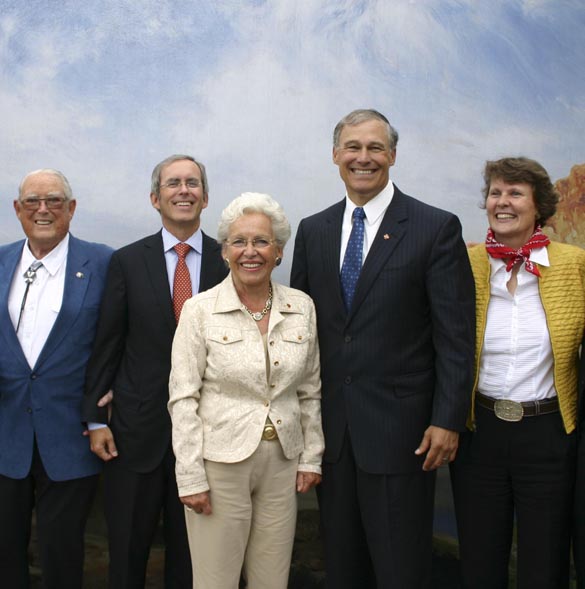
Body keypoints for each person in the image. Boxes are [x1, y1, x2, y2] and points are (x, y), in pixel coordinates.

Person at [290, 108, 475, 588]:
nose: (363, 157)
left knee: (400, 569)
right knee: (343, 567)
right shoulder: (314, 230)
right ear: (335, 155)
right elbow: (301, 334)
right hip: (332, 434)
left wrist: (448, 417)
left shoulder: (435, 228)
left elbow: (455, 335)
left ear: (392, 155)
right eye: (353, 147)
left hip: (404, 434)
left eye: (375, 148)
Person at [81, 155, 227, 588]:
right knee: (127, 554)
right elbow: (108, 341)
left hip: (210, 436)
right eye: (173, 184)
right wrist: (93, 418)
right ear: (155, 198)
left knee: (194, 559)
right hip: (135, 432)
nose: (184, 190)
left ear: (205, 197)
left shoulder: (229, 260)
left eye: (193, 183)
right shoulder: (126, 261)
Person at [168, 192, 324, 588]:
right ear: (224, 251)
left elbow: (309, 389)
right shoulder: (199, 310)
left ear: (279, 252)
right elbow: (183, 398)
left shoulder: (301, 306)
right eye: (239, 242)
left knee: (272, 581)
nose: (249, 252)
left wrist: (311, 458)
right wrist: (190, 477)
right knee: (215, 581)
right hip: (219, 466)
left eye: (261, 242)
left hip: (283, 465)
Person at [450, 157, 585, 589]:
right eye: (495, 192)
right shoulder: (466, 265)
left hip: (549, 434)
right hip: (480, 433)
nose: (501, 202)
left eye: (514, 193)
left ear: (538, 204)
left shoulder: (574, 265)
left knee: (544, 565)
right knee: (479, 560)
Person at [0, 169, 112, 588]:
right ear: (18, 209)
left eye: (54, 201)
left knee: (61, 555)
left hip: (72, 435)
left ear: (71, 208)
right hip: (6, 433)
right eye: (32, 201)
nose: (43, 209)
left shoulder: (102, 262)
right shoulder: (1, 260)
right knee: (6, 553)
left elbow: (118, 335)